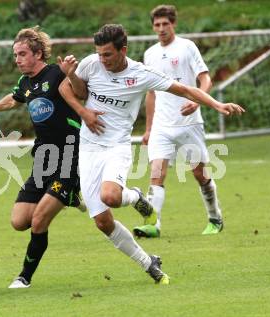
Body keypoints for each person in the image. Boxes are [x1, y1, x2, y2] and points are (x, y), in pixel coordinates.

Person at [59, 24, 244, 284]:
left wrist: (217, 104)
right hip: (88, 148)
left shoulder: (141, 74)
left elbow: (185, 89)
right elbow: (66, 89)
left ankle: (135, 196)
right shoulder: (91, 63)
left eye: (108, 55)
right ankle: (150, 264)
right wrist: (84, 111)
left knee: (111, 196)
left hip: (116, 147)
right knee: (102, 221)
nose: (102, 60)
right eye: (99, 54)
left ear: (123, 50)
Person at [0, 26, 84, 289]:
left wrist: (72, 74)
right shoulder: (25, 84)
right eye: (15, 54)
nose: (17, 59)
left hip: (70, 156)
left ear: (38, 53)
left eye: (22, 53)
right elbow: (14, 100)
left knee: (39, 220)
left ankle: (24, 277)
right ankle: (70, 196)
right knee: (19, 221)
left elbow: (81, 92)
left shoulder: (57, 73)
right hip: (43, 158)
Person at [133, 5, 224, 238]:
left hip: (189, 123)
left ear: (173, 24)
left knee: (199, 175)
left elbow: (205, 79)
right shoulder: (150, 54)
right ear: (152, 27)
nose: (161, 28)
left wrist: (197, 102)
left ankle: (215, 217)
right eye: (157, 25)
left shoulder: (187, 47)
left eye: (165, 24)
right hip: (162, 126)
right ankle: (153, 224)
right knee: (156, 173)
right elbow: (151, 93)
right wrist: (149, 128)